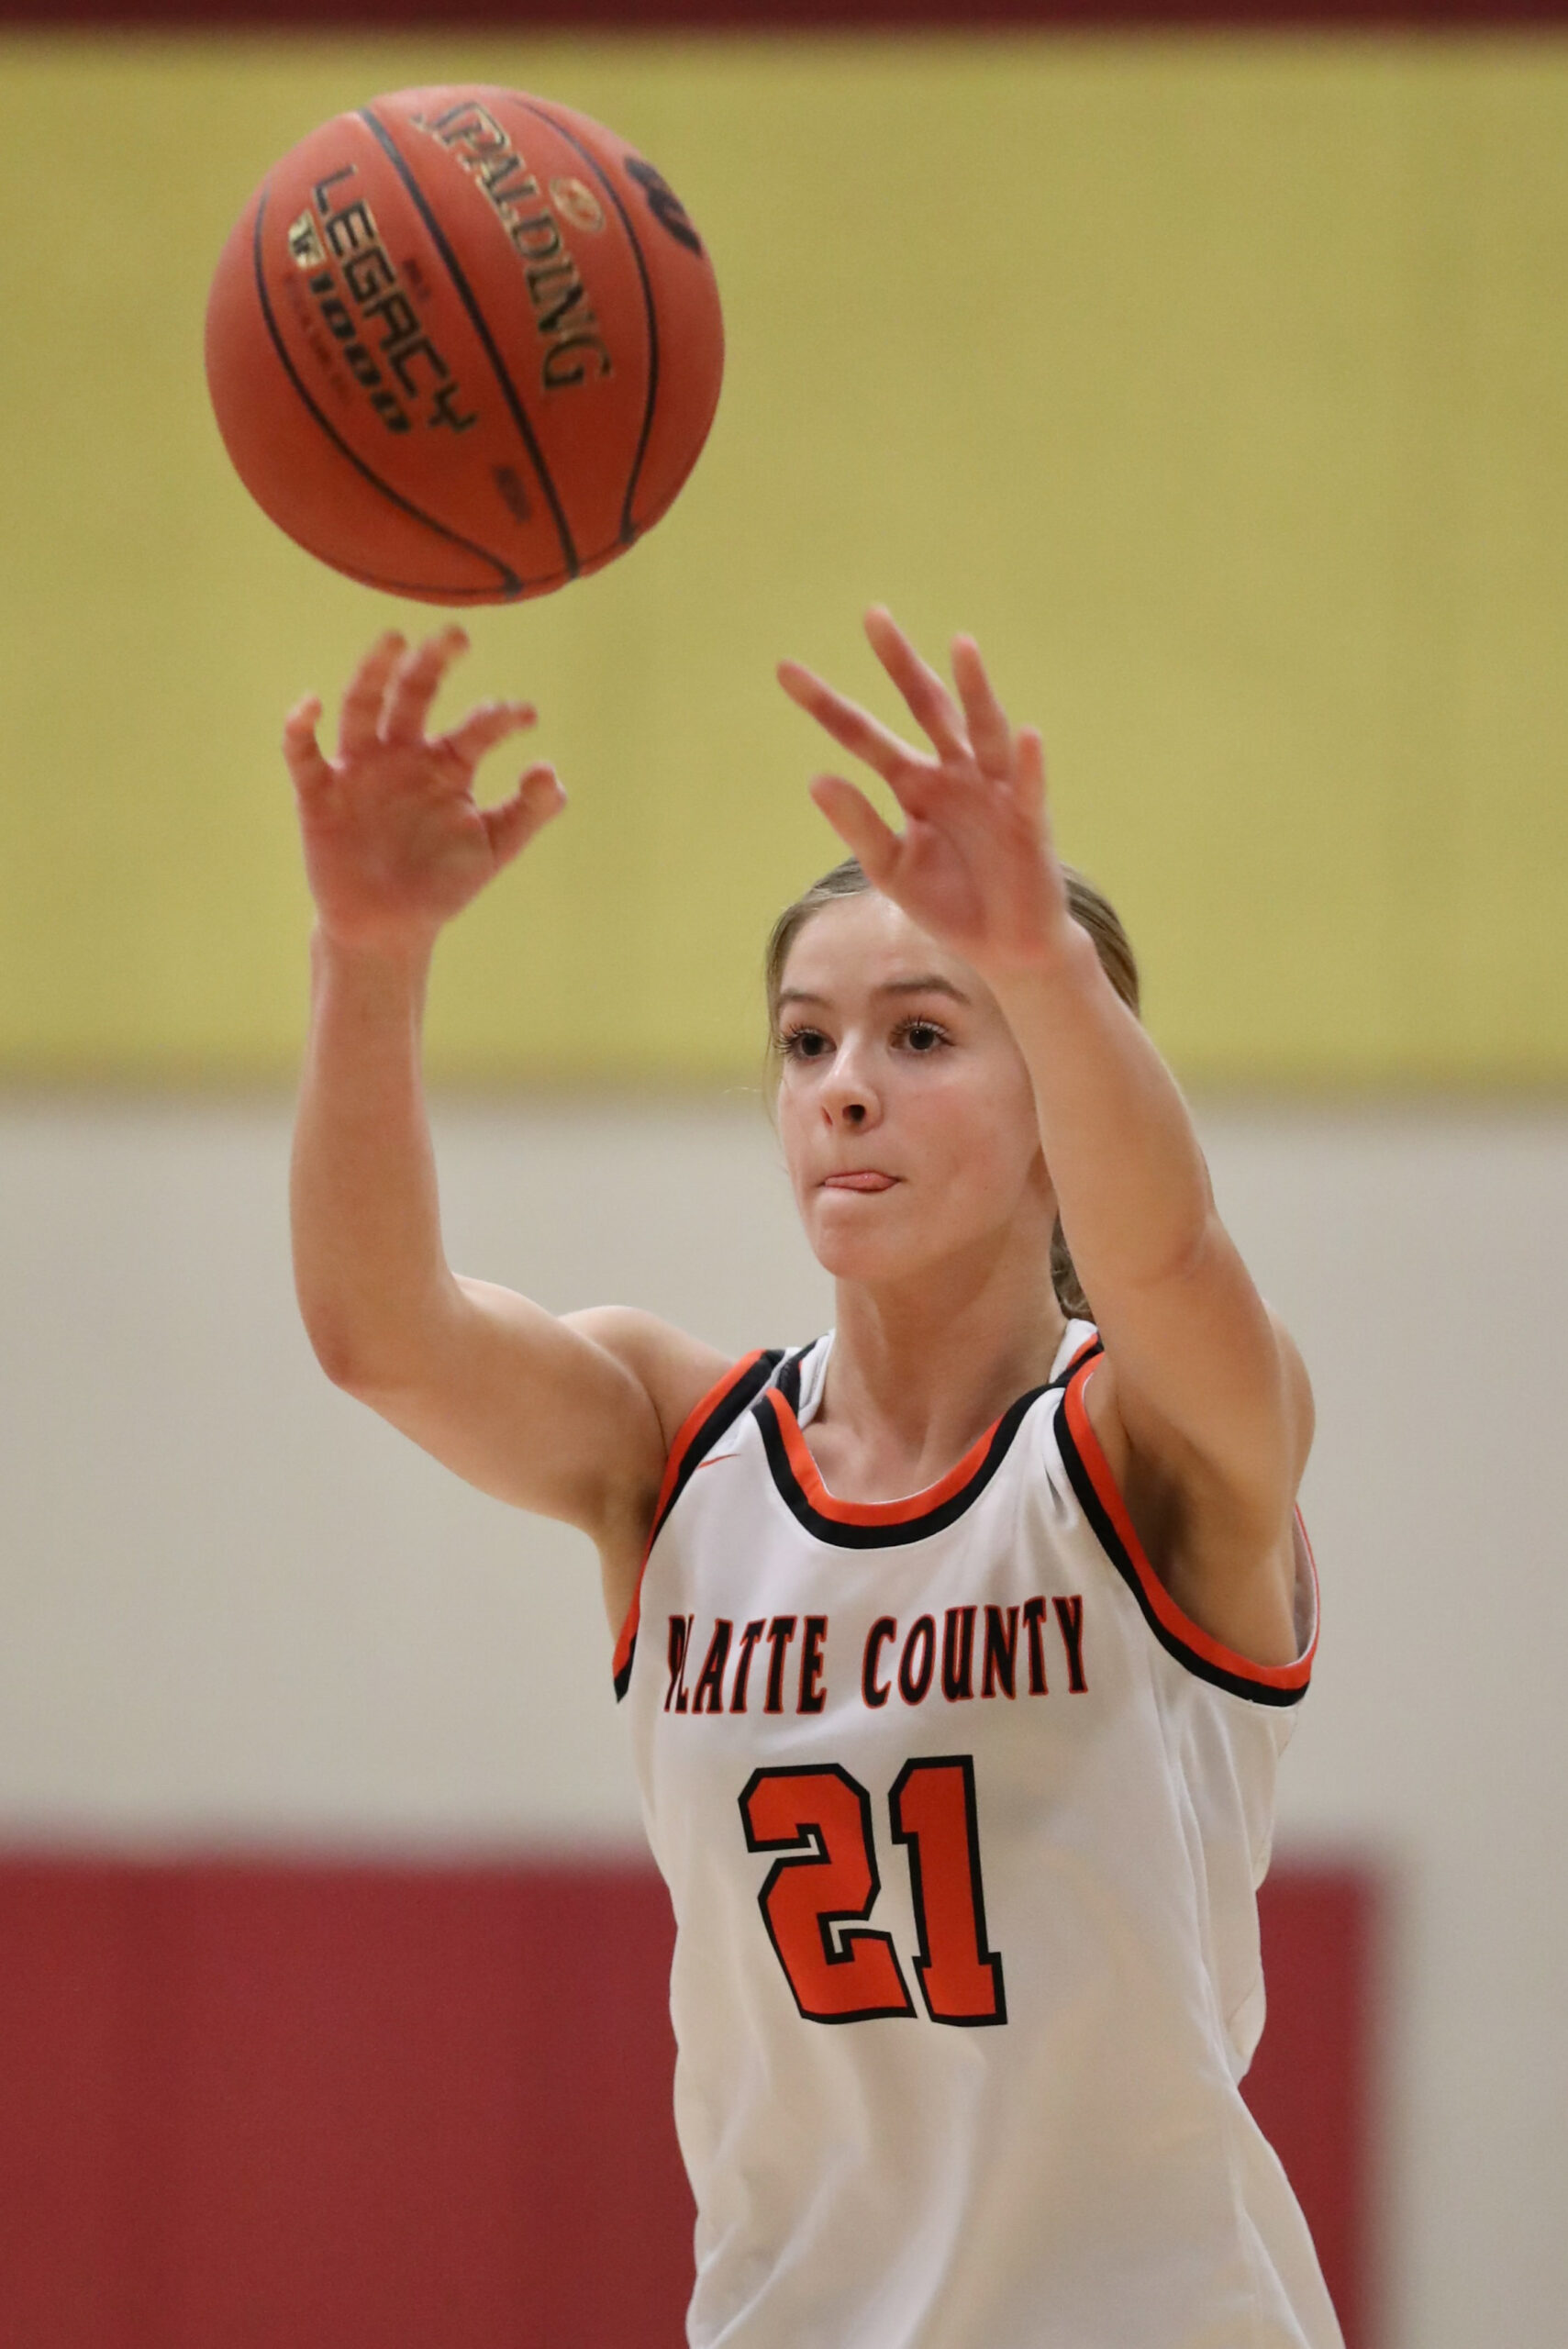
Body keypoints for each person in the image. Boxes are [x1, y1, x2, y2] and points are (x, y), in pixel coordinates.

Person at [284, 610, 1342, 2349]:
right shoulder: (676, 1446)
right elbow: (378, 1336)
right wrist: (369, 951)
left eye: (921, 1036)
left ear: (1059, 1098)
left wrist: (1042, 962)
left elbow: (1164, 1255)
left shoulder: (1151, 1446)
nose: (844, 1090)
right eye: (804, 1043)